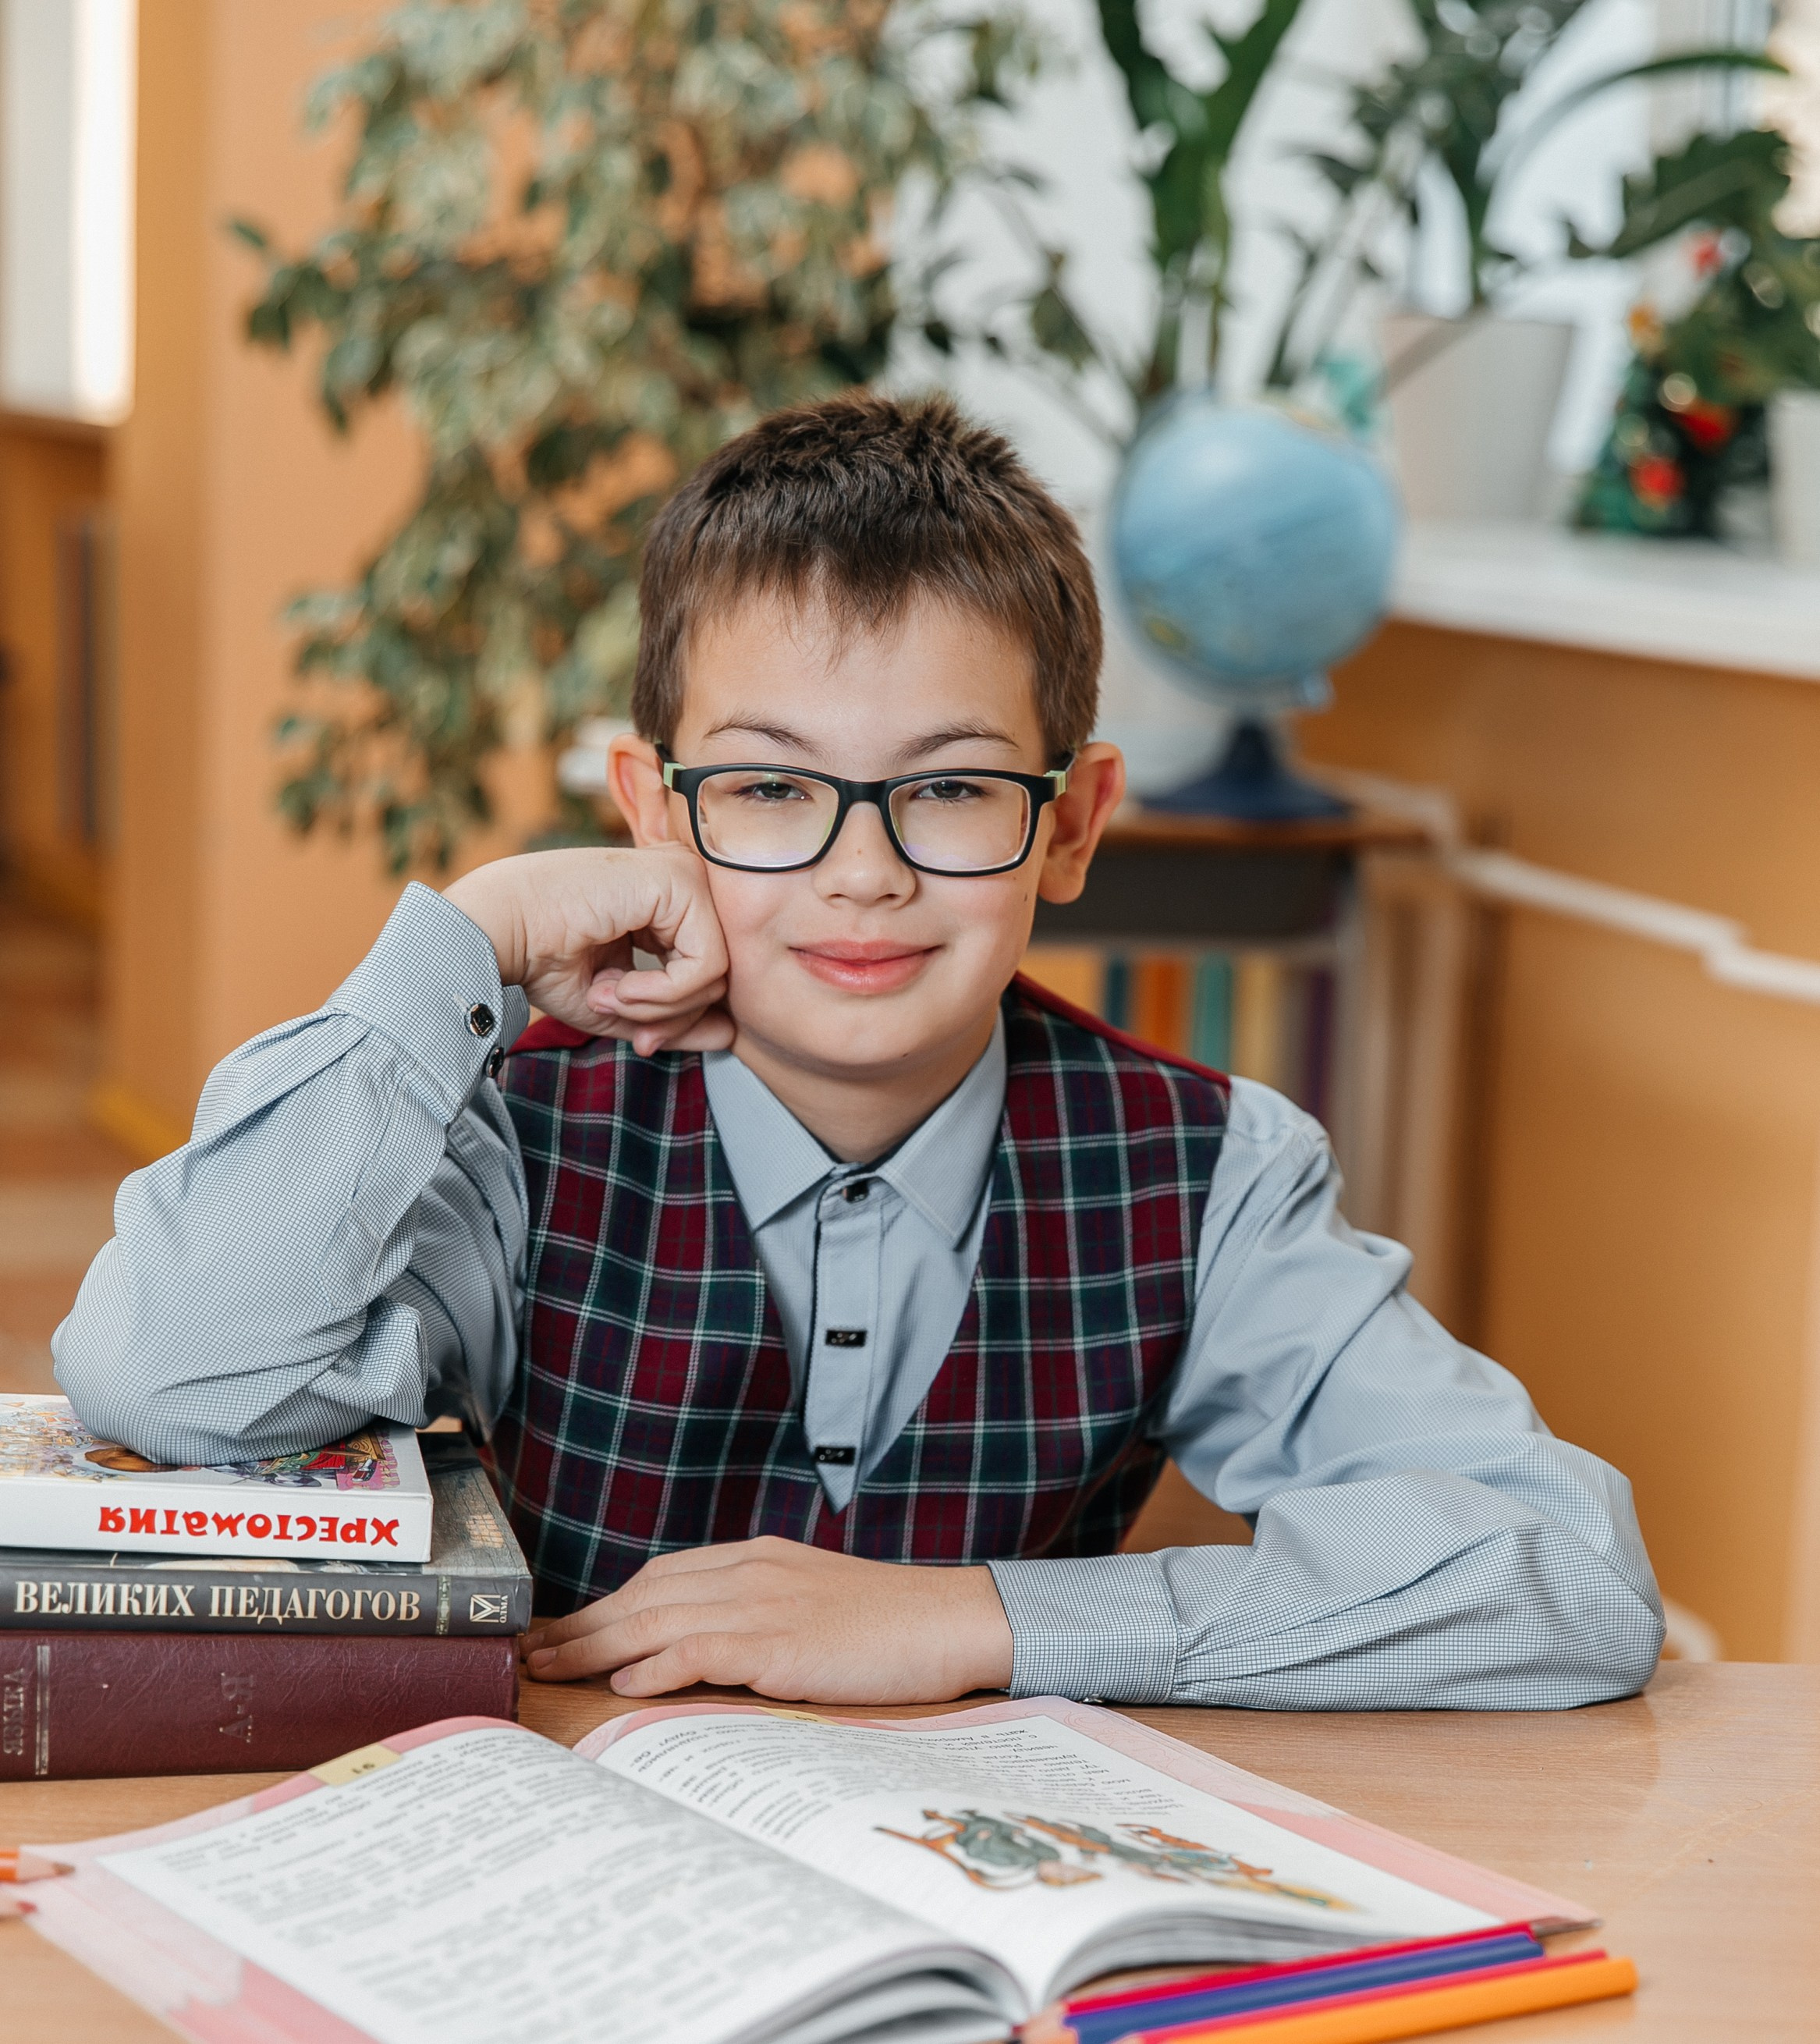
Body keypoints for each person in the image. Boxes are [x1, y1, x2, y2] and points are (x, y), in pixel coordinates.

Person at [55, 394, 1663, 1711]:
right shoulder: (507, 1144)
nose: (863, 872)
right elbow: (169, 1371)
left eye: (953, 788)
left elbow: (1569, 1571)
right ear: (653, 811)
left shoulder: (1209, 1172)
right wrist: (465, 940)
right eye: (768, 789)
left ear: (1075, 822)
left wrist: (980, 1620)